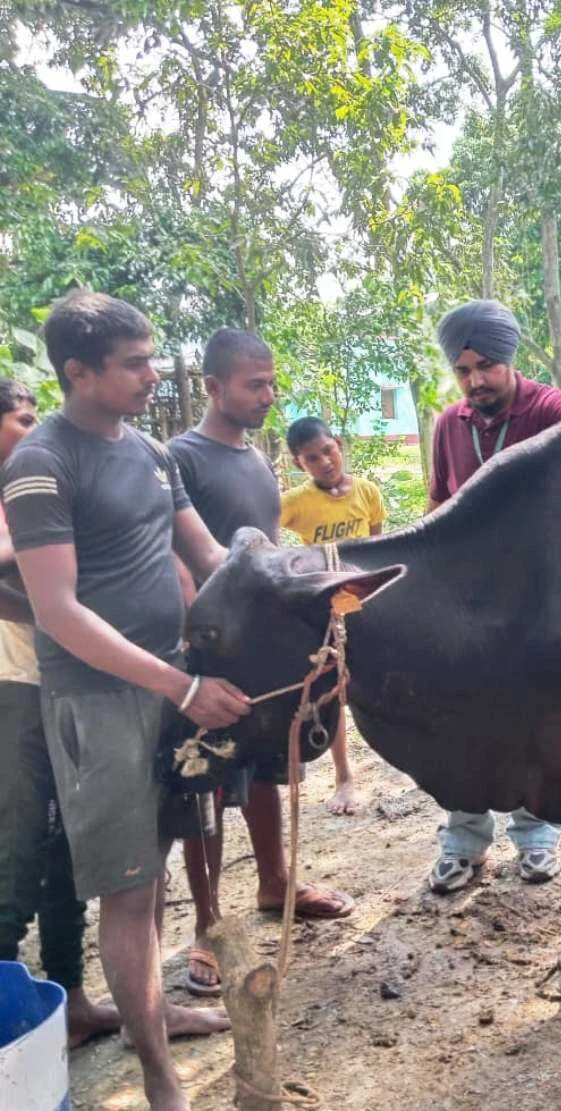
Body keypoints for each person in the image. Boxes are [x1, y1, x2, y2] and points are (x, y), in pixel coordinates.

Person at [3, 291, 241, 1111]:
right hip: (101, 703)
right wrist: (181, 685)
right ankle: (158, 1076)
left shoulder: (151, 452)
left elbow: (206, 550)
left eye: (150, 358)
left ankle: (148, 1013)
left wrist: (285, 584)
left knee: (160, 865)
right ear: (78, 372)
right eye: (134, 363)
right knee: (127, 887)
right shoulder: (39, 462)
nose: (152, 373)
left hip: (174, 687)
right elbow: (60, 611)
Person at [169, 330, 355, 998]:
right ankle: (207, 922)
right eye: (255, 385)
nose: (268, 396)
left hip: (262, 656)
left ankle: (276, 883)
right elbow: (180, 558)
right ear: (213, 386)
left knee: (263, 774)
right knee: (207, 793)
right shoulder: (180, 458)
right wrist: (196, 660)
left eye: (272, 382)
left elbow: (265, 553)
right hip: (212, 655)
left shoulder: (255, 461)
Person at [427, 298, 561, 894]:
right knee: (465, 717)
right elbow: (440, 504)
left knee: (535, 716)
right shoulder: (450, 425)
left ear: (509, 359)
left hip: (540, 601)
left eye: (485, 367)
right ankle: (463, 840)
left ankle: (537, 835)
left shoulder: (557, 414)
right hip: (471, 603)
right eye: (463, 371)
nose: (475, 382)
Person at [0, 378, 122, 1048]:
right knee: (16, 852)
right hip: (13, 689)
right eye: (22, 417)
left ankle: (70, 997)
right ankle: (10, 1021)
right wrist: (50, 608)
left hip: (56, 682)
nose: (35, 425)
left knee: (67, 850)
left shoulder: (40, 486)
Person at [281, 415, 386, 815]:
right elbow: (261, 528)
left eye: (328, 450)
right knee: (333, 690)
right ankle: (344, 776)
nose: (325, 461)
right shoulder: (295, 503)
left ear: (338, 444)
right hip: (324, 608)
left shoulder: (368, 492)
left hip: (363, 602)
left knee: (372, 679)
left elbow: (378, 546)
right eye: (312, 458)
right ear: (299, 464)